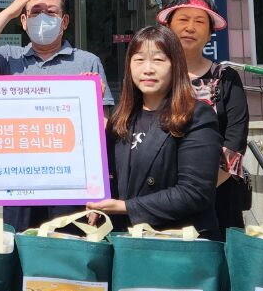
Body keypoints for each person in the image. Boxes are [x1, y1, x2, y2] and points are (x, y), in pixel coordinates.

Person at [0, 0, 114, 231]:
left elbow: (103, 123)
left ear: (65, 21)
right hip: (19, 182)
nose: (43, 18)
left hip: (70, 181)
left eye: (51, 12)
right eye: (34, 12)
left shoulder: (87, 62)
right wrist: (10, 11)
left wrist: (99, 187)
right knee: (20, 244)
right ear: (23, 21)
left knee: (68, 246)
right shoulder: (10, 58)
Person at [85, 25, 221, 236]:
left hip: (176, 242)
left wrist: (125, 207)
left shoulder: (196, 116)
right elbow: (104, 174)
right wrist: (86, 103)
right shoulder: (121, 119)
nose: (147, 69)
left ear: (175, 65)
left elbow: (195, 192)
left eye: (158, 60)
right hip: (126, 241)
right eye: (139, 60)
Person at [158, 0, 250, 234]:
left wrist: (198, 190)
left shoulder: (226, 78)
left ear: (210, 33)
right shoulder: (151, 76)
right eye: (183, 19)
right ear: (167, 27)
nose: (190, 27)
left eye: (199, 22)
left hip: (216, 193)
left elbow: (235, 139)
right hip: (157, 195)